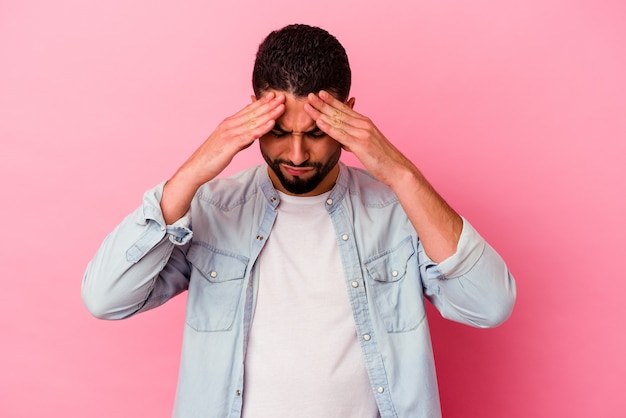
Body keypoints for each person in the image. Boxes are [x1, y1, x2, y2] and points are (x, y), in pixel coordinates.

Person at [82, 24, 516, 418]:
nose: (296, 155)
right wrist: (192, 173)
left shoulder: (398, 213)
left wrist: (400, 174)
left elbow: (490, 305)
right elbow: (106, 298)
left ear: (347, 114)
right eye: (277, 132)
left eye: (315, 133)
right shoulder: (212, 209)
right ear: (252, 113)